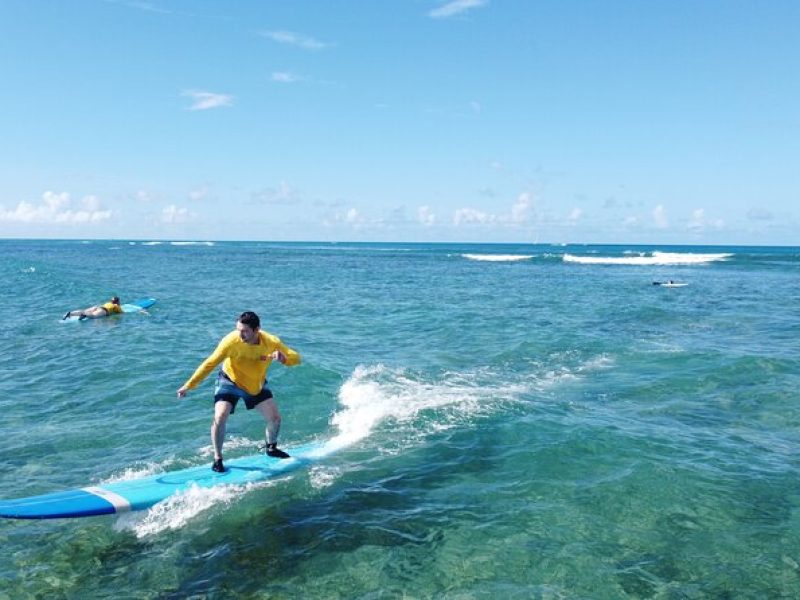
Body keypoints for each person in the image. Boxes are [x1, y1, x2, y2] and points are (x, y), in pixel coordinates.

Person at [177, 311, 301, 472]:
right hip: (229, 381)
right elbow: (210, 363)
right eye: (238, 330)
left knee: (275, 419)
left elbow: (297, 358)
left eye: (244, 331)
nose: (240, 334)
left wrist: (284, 358)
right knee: (220, 416)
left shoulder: (271, 342)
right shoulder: (231, 341)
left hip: (255, 384)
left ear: (257, 330)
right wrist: (189, 385)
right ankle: (218, 459)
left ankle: (271, 448)